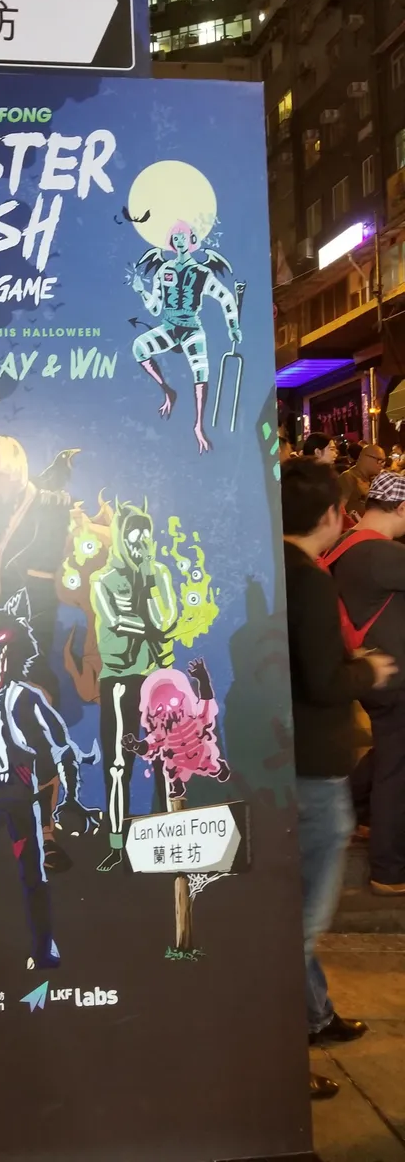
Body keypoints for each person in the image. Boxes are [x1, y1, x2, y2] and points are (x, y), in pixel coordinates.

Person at [281, 460, 395, 1100]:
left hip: (285, 759)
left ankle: (316, 1014)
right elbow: (325, 680)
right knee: (297, 922)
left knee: (295, 913)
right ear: (331, 515)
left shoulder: (274, 569)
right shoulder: (309, 580)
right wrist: (368, 671)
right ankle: (278, 1059)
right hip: (313, 767)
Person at [329, 472, 405, 896]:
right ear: (401, 508)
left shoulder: (345, 545)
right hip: (393, 674)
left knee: (390, 751)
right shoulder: (382, 553)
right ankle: (389, 869)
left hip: (369, 670)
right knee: (398, 768)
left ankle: (352, 810)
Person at [340, 444, 384, 520]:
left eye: (383, 462)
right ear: (366, 458)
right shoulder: (348, 477)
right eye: (379, 460)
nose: (382, 465)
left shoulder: (374, 479)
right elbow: (338, 511)